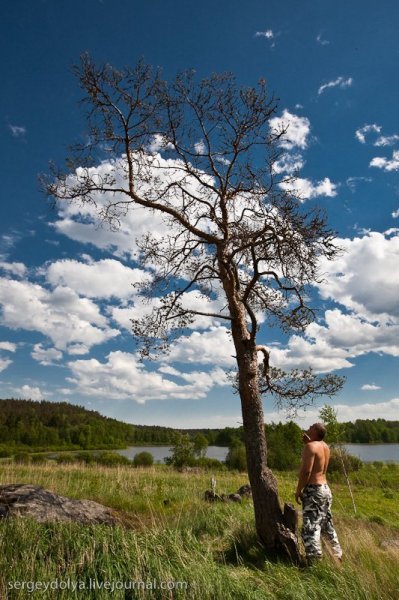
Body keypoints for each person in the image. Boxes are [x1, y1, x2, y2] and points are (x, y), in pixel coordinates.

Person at [295, 422, 342, 563]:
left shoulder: (310, 447)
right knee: (327, 525)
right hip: (325, 489)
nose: (308, 427)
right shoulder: (325, 447)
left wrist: (298, 490)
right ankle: (337, 556)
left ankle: (315, 563)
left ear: (315, 431)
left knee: (310, 527)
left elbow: (307, 472)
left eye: (311, 426)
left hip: (314, 490)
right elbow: (318, 460)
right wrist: (308, 443)